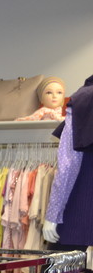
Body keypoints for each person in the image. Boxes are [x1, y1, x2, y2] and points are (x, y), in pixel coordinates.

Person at [43, 74, 93, 248]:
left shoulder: (84, 99)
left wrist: (52, 216)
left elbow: (68, 164)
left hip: (79, 209)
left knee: (63, 263)